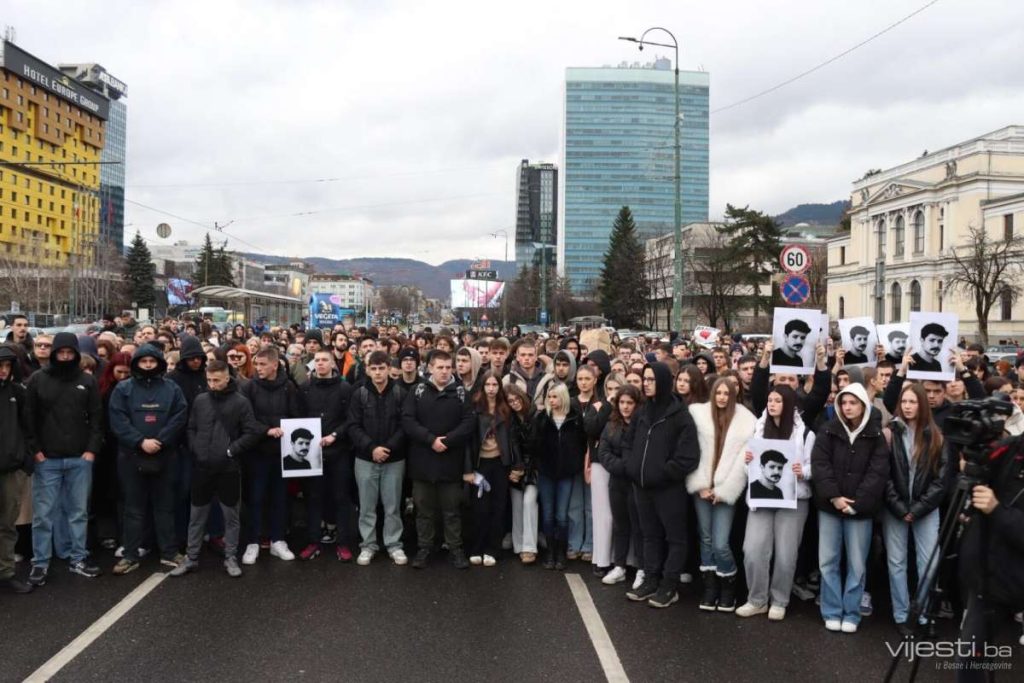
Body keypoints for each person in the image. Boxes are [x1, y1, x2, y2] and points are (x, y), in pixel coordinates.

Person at [24, 333, 104, 585]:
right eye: (62, 352)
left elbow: (97, 418)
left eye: (70, 353)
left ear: (77, 354)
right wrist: (36, 451)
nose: (66, 357)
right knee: (43, 516)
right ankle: (40, 563)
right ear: (55, 353)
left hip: (80, 459)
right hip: (46, 460)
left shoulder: (87, 381)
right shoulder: (38, 379)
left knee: (78, 513)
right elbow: (28, 419)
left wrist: (91, 451)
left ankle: (78, 558)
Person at [170, 360, 262, 578]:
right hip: (202, 466)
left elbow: (251, 431)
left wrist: (231, 451)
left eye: (216, 380)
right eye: (209, 380)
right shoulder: (201, 400)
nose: (212, 384)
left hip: (228, 468)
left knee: (231, 516)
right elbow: (191, 427)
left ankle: (230, 557)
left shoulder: (240, 402)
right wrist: (196, 449)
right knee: (197, 515)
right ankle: (191, 558)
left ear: (227, 378)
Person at [811, 383, 890, 633]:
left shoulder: (875, 435)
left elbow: (878, 472)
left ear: (863, 405)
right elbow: (820, 465)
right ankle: (832, 610)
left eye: (853, 403)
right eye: (844, 402)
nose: (847, 407)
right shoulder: (828, 430)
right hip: (830, 507)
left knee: (857, 564)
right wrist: (835, 497)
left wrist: (858, 503)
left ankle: (852, 612)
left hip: (860, 510)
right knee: (828, 561)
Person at [108, 344, 189, 575]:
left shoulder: (172, 388)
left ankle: (169, 552)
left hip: (165, 455)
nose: (148, 365)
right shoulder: (123, 389)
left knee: (165, 507)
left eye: (152, 361)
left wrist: (160, 441)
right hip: (131, 457)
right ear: (136, 364)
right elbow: (118, 420)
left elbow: (180, 416)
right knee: (133, 509)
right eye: (143, 362)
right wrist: (140, 441)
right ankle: (130, 555)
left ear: (159, 363)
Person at [625, 362, 700, 608]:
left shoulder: (680, 416)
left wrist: (664, 473)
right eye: (644, 379)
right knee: (650, 535)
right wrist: (632, 467)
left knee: (675, 538)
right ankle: (651, 579)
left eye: (651, 379)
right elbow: (629, 442)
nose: (646, 384)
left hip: (668, 489)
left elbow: (688, 457)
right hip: (642, 486)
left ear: (664, 382)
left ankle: (669, 585)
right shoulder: (643, 412)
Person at [737, 385, 814, 621]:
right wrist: (748, 461)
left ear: (788, 404)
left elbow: (815, 467)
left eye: (778, 400)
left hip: (794, 499)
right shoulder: (759, 430)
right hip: (761, 499)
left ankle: (779, 600)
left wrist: (803, 472)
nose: (772, 404)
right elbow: (748, 469)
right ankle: (757, 599)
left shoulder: (805, 434)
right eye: (770, 400)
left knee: (786, 553)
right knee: (753, 549)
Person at [883, 382, 948, 636]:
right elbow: (883, 474)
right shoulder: (890, 433)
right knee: (896, 562)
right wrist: (900, 507)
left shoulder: (936, 435)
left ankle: (923, 614)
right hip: (895, 508)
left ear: (922, 405)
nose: (908, 406)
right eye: (904, 401)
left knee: (929, 564)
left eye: (913, 402)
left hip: (926, 510)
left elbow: (941, 480)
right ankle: (902, 615)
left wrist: (918, 509)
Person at [687, 377, 757, 612]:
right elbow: (693, 451)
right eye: (719, 393)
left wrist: (725, 491)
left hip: (725, 489)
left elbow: (741, 462)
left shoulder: (747, 421)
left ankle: (728, 587)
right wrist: (699, 485)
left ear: (733, 395)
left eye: (727, 393)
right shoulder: (697, 414)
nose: (722, 397)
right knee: (705, 539)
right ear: (713, 393)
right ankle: (710, 588)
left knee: (720, 543)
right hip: (702, 487)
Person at [402, 350, 476, 569]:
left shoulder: (461, 392)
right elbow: (408, 420)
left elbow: (469, 423)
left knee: (452, 510)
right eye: (440, 367)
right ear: (430, 368)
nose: (444, 371)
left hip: (451, 461)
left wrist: (449, 440)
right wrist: (430, 439)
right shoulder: (417, 391)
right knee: (423, 510)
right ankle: (424, 547)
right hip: (422, 461)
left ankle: (455, 548)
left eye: (448, 367)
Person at [240, 347, 305, 565]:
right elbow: (246, 419)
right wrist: (266, 430)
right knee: (256, 498)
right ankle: (252, 542)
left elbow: (296, 416)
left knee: (280, 497)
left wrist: (287, 432)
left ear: (275, 365)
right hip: (257, 452)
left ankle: (278, 540)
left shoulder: (289, 387)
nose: (258, 368)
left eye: (262, 364)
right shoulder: (249, 387)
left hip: (282, 453)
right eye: (256, 364)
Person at [349, 350, 407, 566]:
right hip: (365, 458)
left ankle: (394, 545)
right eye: (373, 369)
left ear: (389, 369)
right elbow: (353, 426)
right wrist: (372, 448)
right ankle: (368, 545)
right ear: (367, 370)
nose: (378, 373)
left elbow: (405, 425)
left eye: (382, 368)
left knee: (393, 506)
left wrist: (388, 448)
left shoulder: (400, 393)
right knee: (366, 506)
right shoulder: (359, 394)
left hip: (394, 459)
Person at [297, 349, 354, 561]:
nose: (320, 363)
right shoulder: (305, 388)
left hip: (338, 451)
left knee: (341, 497)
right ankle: (313, 541)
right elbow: (298, 417)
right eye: (317, 360)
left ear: (332, 364)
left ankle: (343, 543)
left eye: (324, 360)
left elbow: (351, 419)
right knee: (314, 497)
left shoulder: (345, 388)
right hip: (312, 453)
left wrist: (335, 435)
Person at [465, 371, 521, 566]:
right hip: (480, 464)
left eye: (494, 385)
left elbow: (513, 440)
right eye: (487, 385)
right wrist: (468, 469)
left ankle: (492, 549)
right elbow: (468, 441)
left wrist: (517, 465)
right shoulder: (475, 409)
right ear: (482, 387)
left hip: (500, 464)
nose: (491, 389)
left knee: (498, 507)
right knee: (480, 508)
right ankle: (476, 547)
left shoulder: (505, 411)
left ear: (499, 387)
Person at [532, 382, 588, 571]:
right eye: (549, 396)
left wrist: (574, 465)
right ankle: (550, 553)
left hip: (566, 473)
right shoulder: (542, 418)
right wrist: (539, 464)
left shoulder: (574, 418)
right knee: (548, 514)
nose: (551, 400)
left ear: (563, 397)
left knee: (562, 515)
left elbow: (581, 443)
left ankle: (561, 553)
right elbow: (534, 444)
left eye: (555, 396)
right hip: (546, 472)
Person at [597, 383, 643, 586]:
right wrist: (620, 466)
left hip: (637, 483)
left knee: (640, 526)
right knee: (620, 525)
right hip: (617, 481)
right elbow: (603, 452)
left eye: (629, 403)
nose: (625, 406)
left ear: (636, 404)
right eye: (622, 402)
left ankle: (642, 569)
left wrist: (630, 467)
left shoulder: (643, 425)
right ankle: (620, 566)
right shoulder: (611, 425)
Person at [0, 344, 32, 593]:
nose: (3, 370)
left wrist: (25, 459)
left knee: (7, 524)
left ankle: (6, 572)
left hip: (11, 468)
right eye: (0, 366)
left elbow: (28, 427)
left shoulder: (17, 392)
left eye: (7, 366)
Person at [505, 383, 539, 564]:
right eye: (510, 401)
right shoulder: (509, 419)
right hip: (515, 467)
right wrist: (514, 469)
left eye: (517, 398)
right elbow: (511, 446)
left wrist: (523, 469)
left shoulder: (536, 415)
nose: (515, 403)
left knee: (529, 502)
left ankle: (529, 547)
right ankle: (518, 545)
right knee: (517, 505)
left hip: (534, 467)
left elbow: (538, 448)